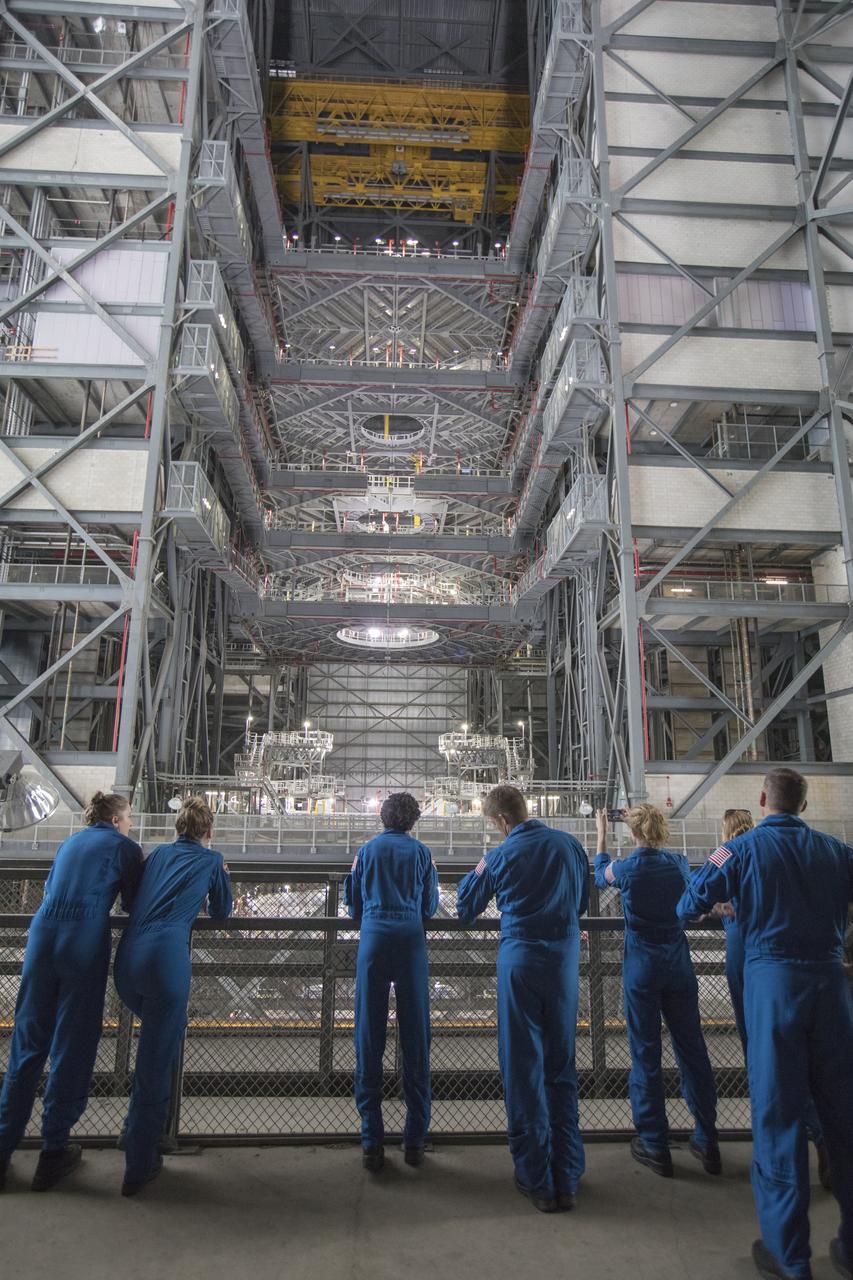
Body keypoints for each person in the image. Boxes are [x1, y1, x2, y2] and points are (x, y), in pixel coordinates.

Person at [677, 768, 853, 1280]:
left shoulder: (738, 850)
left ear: (762, 799)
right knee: (843, 1112)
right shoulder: (838, 851)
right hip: (830, 988)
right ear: (803, 803)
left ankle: (789, 1254)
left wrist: (731, 904)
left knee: (778, 1114)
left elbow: (689, 903)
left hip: (774, 988)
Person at [0, 791, 142, 1192]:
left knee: (27, 1045)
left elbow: (51, 886)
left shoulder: (69, 842)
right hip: (83, 936)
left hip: (43, 934)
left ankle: (2, 1149)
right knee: (72, 1044)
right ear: (116, 820)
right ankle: (53, 1151)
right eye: (129, 817)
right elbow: (133, 902)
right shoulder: (124, 848)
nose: (130, 824)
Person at [456, 784, 588, 1213]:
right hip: (565, 961)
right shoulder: (570, 845)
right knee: (561, 1065)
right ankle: (568, 1175)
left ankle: (537, 1178)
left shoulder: (498, 855)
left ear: (500, 821)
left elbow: (465, 905)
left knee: (522, 1067)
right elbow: (582, 901)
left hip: (520, 961)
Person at [114, 795, 232, 1196]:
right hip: (166, 961)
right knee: (153, 1067)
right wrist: (222, 873)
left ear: (178, 826)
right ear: (209, 831)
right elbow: (221, 912)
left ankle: (133, 1132)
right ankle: (139, 1165)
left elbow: (130, 900)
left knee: (147, 1049)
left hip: (128, 959)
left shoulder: (156, 854)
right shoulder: (211, 860)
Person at [593, 804, 719, 1178]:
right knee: (692, 1048)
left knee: (646, 1053)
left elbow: (601, 876)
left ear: (631, 832)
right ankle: (708, 1139)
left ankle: (654, 1142)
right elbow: (694, 899)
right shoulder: (678, 864)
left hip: (642, 965)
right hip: (677, 961)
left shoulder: (629, 868)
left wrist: (601, 833)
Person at [718, 809, 831, 1192]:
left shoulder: (731, 852)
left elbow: (695, 895)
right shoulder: (816, 849)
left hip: (752, 961)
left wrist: (717, 907)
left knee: (765, 1058)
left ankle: (781, 1166)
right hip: (807, 968)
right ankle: (824, 1139)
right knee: (812, 1060)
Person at [344, 791, 438, 1171]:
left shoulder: (366, 851)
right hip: (411, 943)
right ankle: (414, 1139)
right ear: (413, 821)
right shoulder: (422, 854)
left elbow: (353, 904)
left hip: (374, 943)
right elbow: (430, 905)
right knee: (416, 1038)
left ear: (381, 818)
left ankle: (372, 1140)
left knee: (369, 1036)